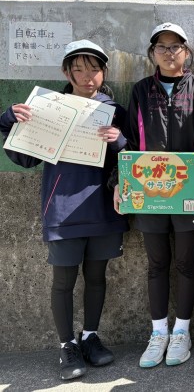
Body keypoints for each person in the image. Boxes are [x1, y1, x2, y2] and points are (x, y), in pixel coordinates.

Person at [0, 40, 128, 380]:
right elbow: (25, 158)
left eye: (94, 69)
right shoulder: (49, 109)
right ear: (66, 72)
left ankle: (90, 337)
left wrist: (119, 141)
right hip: (63, 209)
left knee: (97, 276)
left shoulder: (115, 110)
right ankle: (67, 346)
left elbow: (133, 158)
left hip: (104, 207)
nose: (88, 76)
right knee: (64, 280)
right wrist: (8, 121)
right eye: (79, 69)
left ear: (104, 73)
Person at [113, 23, 194, 368]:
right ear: (152, 53)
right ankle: (158, 332)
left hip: (188, 192)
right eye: (162, 47)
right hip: (149, 192)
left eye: (176, 47)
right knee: (157, 263)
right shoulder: (141, 91)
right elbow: (129, 141)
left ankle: (182, 332)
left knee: (186, 262)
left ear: (186, 52)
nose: (169, 53)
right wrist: (120, 182)